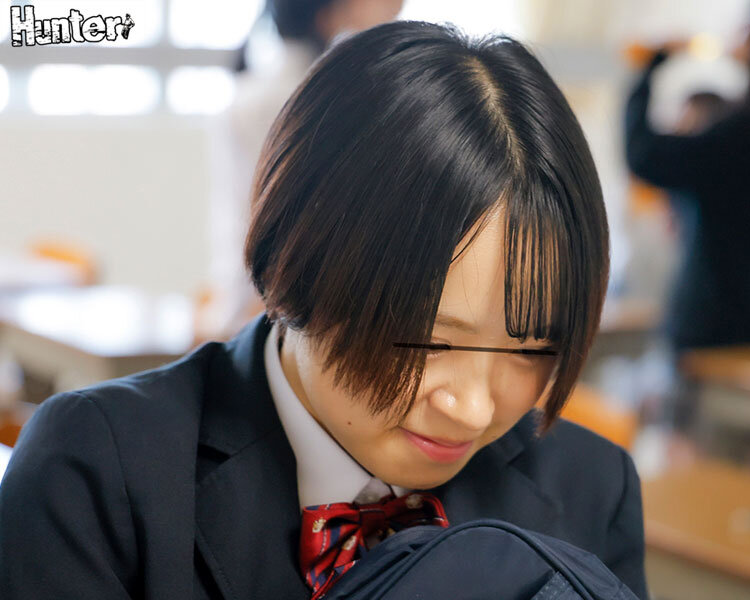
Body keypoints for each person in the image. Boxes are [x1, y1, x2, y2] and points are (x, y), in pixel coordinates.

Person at [0, 21, 648, 600]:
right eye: (429, 342)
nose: (474, 409)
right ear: (299, 261)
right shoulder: (97, 473)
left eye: (532, 349)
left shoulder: (593, 487)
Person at [204, 0, 404, 340]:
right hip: (307, 316)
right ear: (330, 13)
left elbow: (238, 224)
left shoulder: (256, 94)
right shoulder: (321, 96)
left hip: (280, 312)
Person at [624, 0, 750, 355]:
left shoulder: (749, 131)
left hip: (713, 336)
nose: (742, 33)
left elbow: (645, 155)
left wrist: (652, 64)